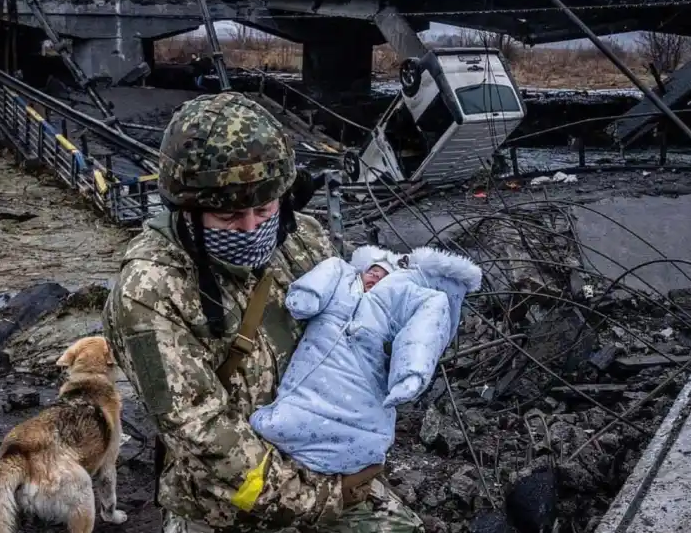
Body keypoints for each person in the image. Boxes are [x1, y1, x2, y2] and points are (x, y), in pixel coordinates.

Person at [102, 91, 425, 533]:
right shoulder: (151, 290)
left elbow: (352, 335)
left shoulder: (301, 239)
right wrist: (320, 498)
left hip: (325, 461)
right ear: (188, 211)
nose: (252, 228)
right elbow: (201, 433)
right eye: (230, 217)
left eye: (263, 209)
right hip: (227, 505)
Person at [250, 245, 482, 476]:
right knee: (296, 410)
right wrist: (307, 295)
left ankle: (353, 455)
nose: (376, 275)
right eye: (372, 270)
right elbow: (326, 274)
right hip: (315, 374)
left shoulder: (398, 299)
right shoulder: (342, 277)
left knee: (364, 421)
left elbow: (422, 331)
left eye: (384, 275)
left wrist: (411, 372)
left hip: (364, 379)